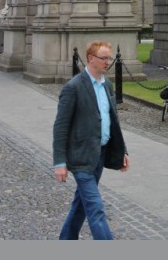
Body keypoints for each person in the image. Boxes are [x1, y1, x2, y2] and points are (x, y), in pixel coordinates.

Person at [52, 40, 130, 240]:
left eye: (109, 58)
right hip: (80, 157)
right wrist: (60, 162)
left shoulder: (107, 85)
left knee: (81, 204)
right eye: (104, 58)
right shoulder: (73, 87)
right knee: (95, 208)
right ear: (90, 59)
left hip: (100, 154)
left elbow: (113, 121)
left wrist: (123, 151)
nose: (108, 62)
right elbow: (60, 128)